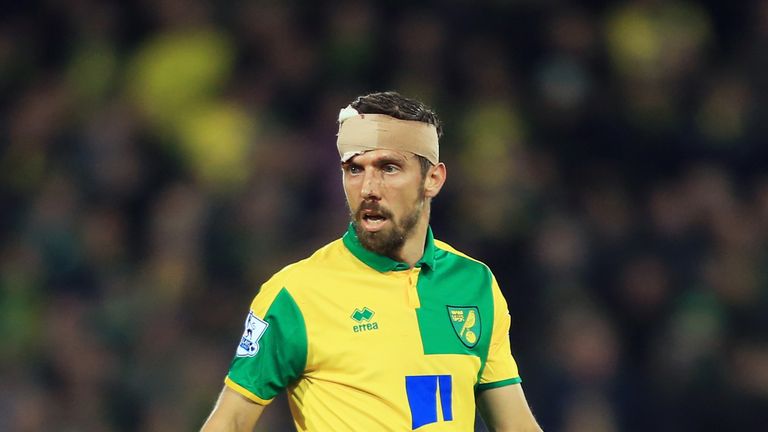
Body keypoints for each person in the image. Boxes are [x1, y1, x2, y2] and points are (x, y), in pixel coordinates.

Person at [200, 91, 542, 431]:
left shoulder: (474, 283)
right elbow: (229, 421)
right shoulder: (296, 293)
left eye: (388, 168)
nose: (368, 188)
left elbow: (516, 425)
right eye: (354, 169)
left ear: (432, 179)